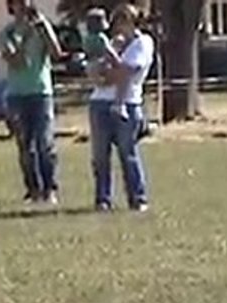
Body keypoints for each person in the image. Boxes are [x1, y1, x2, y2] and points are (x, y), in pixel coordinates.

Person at [87, 3, 155, 212]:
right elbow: (95, 71)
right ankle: (103, 199)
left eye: (124, 20)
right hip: (100, 103)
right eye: (117, 21)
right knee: (100, 156)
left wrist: (108, 75)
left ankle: (138, 198)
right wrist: (106, 69)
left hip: (128, 103)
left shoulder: (142, 42)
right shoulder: (113, 43)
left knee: (128, 153)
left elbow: (128, 72)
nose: (120, 25)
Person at [0, 0, 63, 204]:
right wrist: (26, 36)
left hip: (41, 93)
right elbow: (17, 61)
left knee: (45, 142)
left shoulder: (41, 27)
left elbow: (56, 52)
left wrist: (43, 28)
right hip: (17, 94)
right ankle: (33, 189)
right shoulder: (7, 32)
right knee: (25, 146)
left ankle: (50, 188)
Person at [84, 7, 128, 119]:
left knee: (99, 82)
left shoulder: (86, 38)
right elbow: (110, 51)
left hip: (90, 64)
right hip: (101, 63)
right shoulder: (101, 37)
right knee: (109, 79)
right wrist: (118, 62)